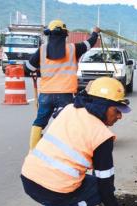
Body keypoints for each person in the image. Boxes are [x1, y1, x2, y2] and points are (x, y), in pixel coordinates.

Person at [20, 77, 137, 206]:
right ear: (102, 106)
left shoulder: (69, 109)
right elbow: (105, 182)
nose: (119, 116)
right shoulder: (102, 136)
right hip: (52, 188)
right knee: (99, 188)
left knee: (70, 178)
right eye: (116, 110)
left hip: (29, 179)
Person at [24, 19, 101, 150]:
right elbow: (89, 44)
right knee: (66, 123)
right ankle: (64, 150)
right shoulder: (73, 49)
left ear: (49, 34)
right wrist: (95, 33)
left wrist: (38, 69)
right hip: (65, 94)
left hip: (46, 94)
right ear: (65, 34)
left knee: (39, 122)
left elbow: (28, 68)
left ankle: (33, 150)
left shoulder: (42, 50)